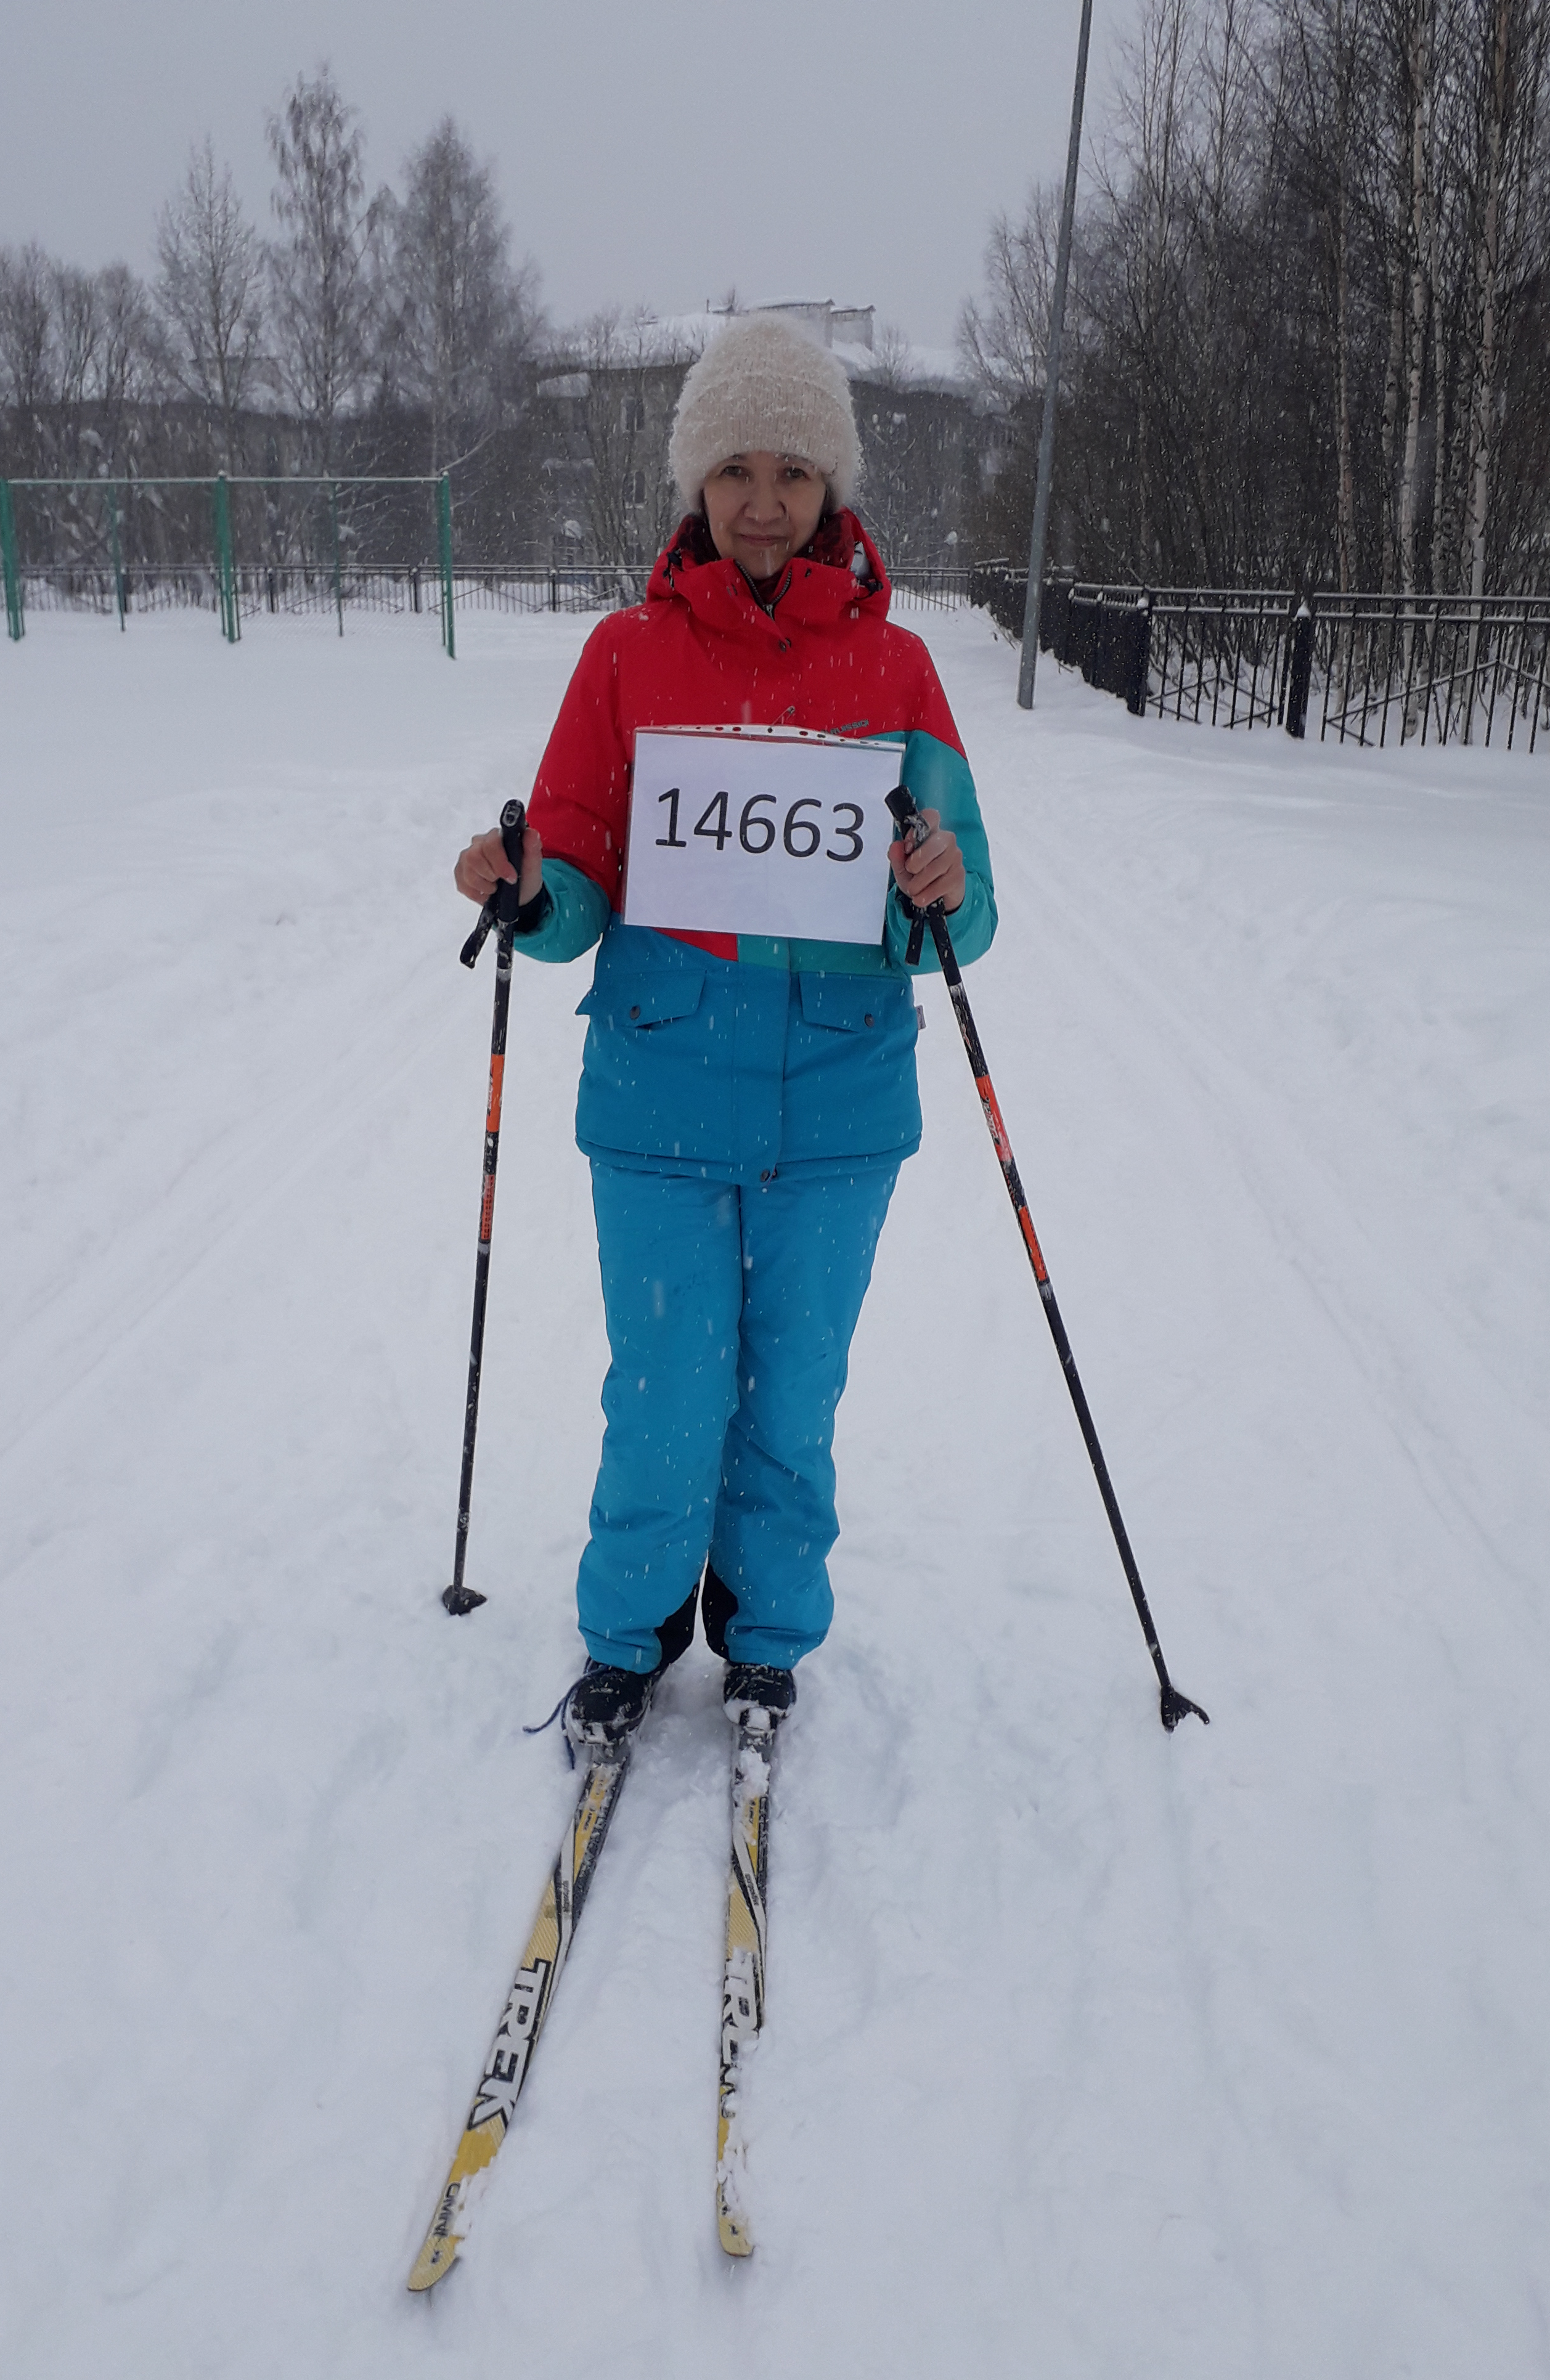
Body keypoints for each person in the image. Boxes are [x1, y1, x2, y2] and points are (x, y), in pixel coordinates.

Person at [454, 312, 995, 1746]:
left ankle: (765, 1638)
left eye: (794, 471)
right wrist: (530, 889)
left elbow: (966, 903)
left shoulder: (898, 672)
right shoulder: (625, 658)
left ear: (834, 488)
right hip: (661, 1091)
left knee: (793, 1395)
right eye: (738, 469)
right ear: (696, 480)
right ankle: (629, 1634)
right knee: (667, 1388)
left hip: (840, 1103)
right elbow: (576, 873)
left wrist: (939, 885)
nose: (764, 502)